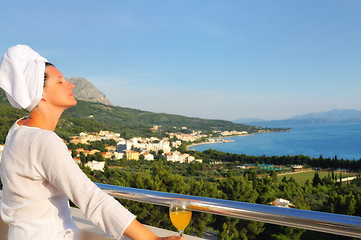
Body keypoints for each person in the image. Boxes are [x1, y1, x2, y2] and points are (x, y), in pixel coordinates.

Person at [0, 45, 184, 240]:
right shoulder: (43, 140)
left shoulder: (18, 129)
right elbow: (91, 198)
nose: (70, 85)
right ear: (41, 93)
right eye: (60, 81)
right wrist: (151, 239)